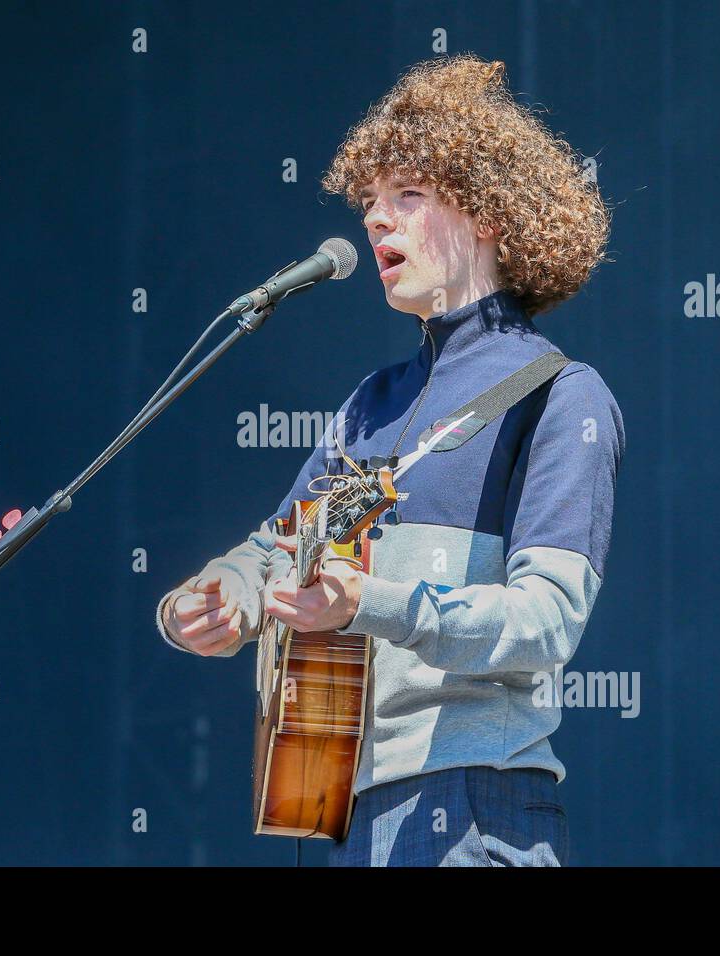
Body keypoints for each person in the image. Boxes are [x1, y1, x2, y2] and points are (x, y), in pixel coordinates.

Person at [157, 54, 623, 867]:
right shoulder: (368, 404)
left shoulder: (560, 396)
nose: (378, 221)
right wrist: (218, 597)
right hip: (345, 804)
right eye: (370, 203)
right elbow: (273, 546)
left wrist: (370, 600)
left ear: (489, 212)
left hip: (479, 803)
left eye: (408, 195)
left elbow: (546, 623)